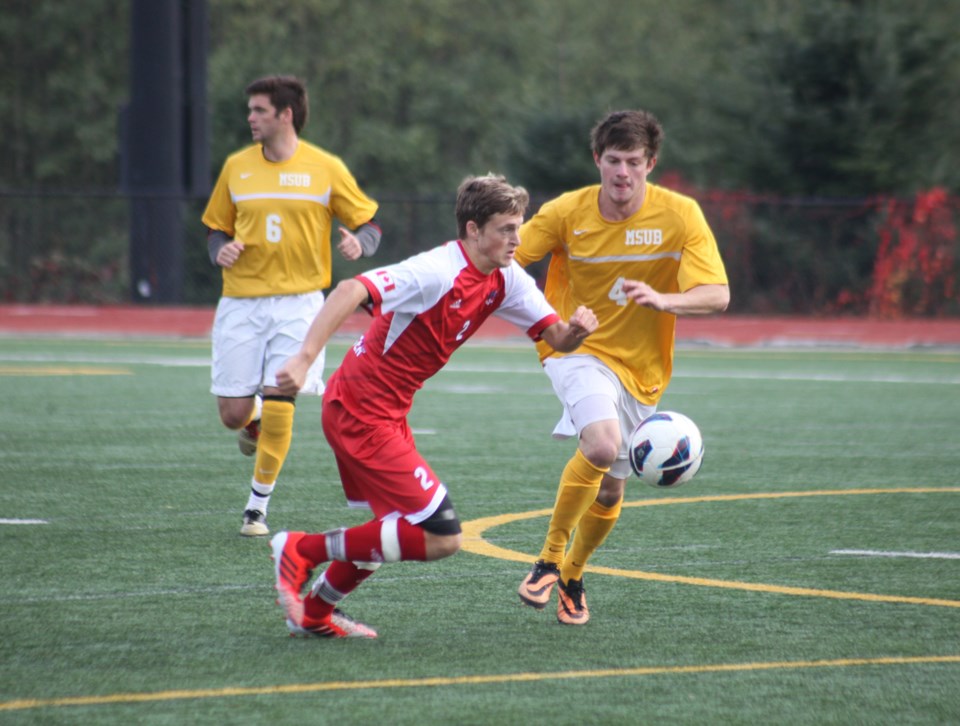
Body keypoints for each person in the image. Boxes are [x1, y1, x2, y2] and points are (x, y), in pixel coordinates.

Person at [269, 174, 598, 638]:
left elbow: (556, 337)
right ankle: (300, 548)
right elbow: (350, 290)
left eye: (518, 226)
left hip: (386, 410)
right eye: (506, 228)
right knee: (441, 534)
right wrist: (304, 359)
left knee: (392, 529)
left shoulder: (507, 279)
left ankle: (316, 613)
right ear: (472, 230)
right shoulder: (437, 272)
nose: (517, 239)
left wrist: (576, 332)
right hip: (360, 408)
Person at [515, 109, 730, 625]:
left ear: (651, 163)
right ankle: (547, 559)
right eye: (613, 160)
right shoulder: (567, 212)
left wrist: (664, 300)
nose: (622, 173)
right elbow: (505, 257)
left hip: (643, 371)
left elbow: (717, 295)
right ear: (598, 160)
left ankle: (573, 573)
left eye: (634, 162)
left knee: (612, 487)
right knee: (604, 444)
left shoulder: (680, 215)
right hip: (576, 348)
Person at [201, 75, 382, 537]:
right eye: (251, 110)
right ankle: (253, 420)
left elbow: (369, 225)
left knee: (283, 391)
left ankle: (255, 508)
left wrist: (359, 244)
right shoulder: (237, 168)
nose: (251, 118)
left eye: (259, 110)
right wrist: (218, 250)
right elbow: (215, 230)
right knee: (233, 414)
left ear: (286, 115)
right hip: (241, 301)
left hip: (301, 304)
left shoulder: (325, 168)